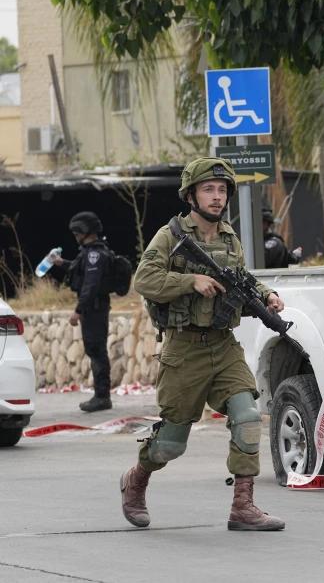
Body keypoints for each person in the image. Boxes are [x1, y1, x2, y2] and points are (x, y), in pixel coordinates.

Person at [120, 157, 286, 531]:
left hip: (224, 347)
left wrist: (267, 295)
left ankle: (243, 507)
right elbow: (144, 279)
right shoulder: (171, 236)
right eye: (208, 189)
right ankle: (136, 480)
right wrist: (189, 281)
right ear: (191, 194)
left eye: (222, 190)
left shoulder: (229, 237)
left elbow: (242, 278)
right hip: (184, 351)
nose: (216, 197)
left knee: (246, 418)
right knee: (171, 444)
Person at [52, 211, 114, 412]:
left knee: (97, 351)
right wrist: (62, 263)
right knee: (95, 350)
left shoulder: (95, 254)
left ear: (85, 231)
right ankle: (101, 395)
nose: (75, 236)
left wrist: (78, 311)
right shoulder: (90, 253)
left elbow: (90, 285)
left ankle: (102, 397)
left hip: (94, 310)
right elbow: (82, 271)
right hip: (93, 308)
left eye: (77, 232)